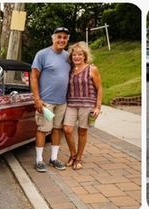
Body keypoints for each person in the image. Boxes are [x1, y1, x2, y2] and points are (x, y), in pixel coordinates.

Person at [31, 26, 71, 173]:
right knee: (43, 129)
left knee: (57, 129)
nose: (62, 40)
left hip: (62, 101)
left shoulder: (68, 57)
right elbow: (34, 77)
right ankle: (39, 160)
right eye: (59, 37)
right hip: (46, 102)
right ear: (53, 38)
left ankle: (53, 158)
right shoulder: (42, 54)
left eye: (65, 38)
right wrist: (37, 99)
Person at [63, 41, 103, 171]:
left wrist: (97, 107)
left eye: (80, 54)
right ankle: (73, 154)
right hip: (72, 103)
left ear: (84, 56)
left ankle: (79, 158)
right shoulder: (69, 69)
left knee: (82, 131)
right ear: (71, 57)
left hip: (87, 104)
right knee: (67, 129)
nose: (77, 57)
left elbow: (100, 88)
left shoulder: (92, 69)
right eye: (74, 55)